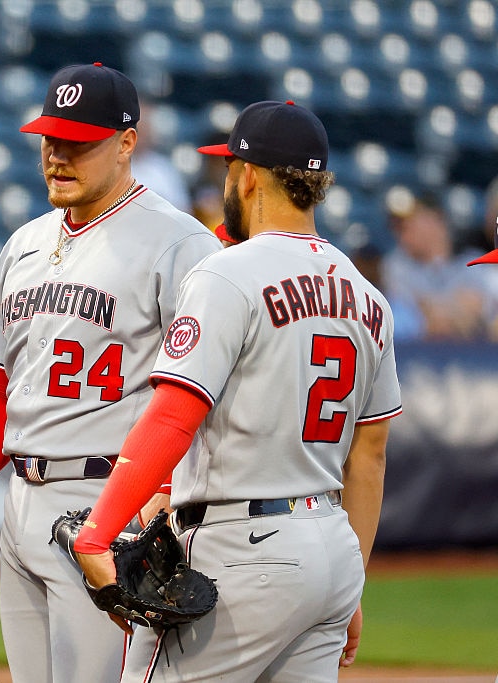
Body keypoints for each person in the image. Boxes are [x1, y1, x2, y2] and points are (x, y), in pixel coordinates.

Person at [74, 100, 403, 681]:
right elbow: (370, 457)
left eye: (227, 168)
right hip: (329, 546)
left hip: (242, 549)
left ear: (247, 175)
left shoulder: (227, 274)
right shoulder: (367, 296)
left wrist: (99, 533)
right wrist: (348, 583)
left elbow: (175, 415)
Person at [0, 63, 222, 683]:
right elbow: (1, 387)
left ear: (127, 143)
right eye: (51, 140)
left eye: (78, 143)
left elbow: (199, 392)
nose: (58, 156)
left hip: (108, 503)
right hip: (21, 506)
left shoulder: (179, 244)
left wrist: (163, 495)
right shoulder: (23, 244)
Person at [380, 196, 494, 341]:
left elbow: (477, 310)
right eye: (398, 228)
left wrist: (434, 309)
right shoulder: (396, 264)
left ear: (436, 219)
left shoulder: (473, 259)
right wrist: (455, 310)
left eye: (409, 225)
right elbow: (412, 319)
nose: (402, 235)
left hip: (475, 355)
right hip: (417, 357)